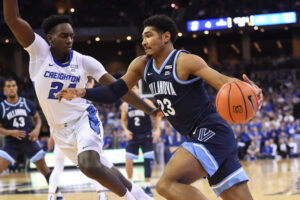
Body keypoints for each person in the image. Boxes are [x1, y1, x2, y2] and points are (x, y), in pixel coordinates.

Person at [57, 14, 264, 200]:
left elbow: (221, 81)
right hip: (202, 136)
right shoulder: (141, 64)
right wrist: (83, 92)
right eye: (143, 37)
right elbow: (115, 91)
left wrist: (249, 91)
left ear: (166, 36)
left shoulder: (185, 61)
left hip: (211, 131)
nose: (144, 41)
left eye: (148, 36)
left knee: (166, 185)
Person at [3, 1, 156, 199]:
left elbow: (118, 89)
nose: (69, 40)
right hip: (58, 130)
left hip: (84, 120)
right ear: (50, 38)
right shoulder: (40, 53)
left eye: (72, 36)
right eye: (64, 36)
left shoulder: (84, 61)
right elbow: (13, 20)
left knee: (89, 165)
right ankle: (144, 197)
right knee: (104, 168)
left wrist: (148, 109)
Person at [0, 79, 51, 189]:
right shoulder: (2, 107)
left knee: (45, 169)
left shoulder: (27, 103)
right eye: (8, 86)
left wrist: (37, 130)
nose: (11, 88)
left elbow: (38, 119)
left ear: (16, 87)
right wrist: (10, 132)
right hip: (11, 142)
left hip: (29, 140)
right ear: (5, 89)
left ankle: (57, 195)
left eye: (13, 85)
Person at [121, 85, 161, 197]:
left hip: (146, 135)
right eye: (130, 89)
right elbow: (123, 121)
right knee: (128, 160)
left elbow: (157, 115)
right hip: (133, 136)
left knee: (147, 160)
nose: (132, 90)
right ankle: (131, 185)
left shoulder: (146, 102)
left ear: (139, 90)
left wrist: (157, 130)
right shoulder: (125, 105)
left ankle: (147, 186)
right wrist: (125, 131)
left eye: (134, 88)